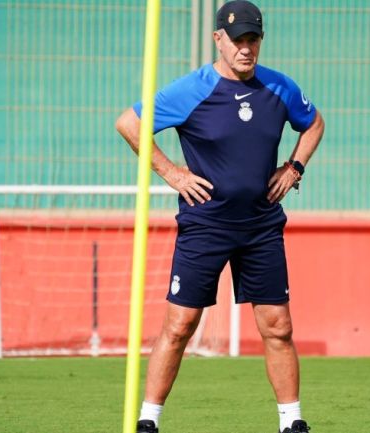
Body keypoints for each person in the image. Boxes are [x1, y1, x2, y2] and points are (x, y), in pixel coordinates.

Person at [115, 1, 324, 432]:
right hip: (205, 225)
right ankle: (148, 421)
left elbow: (314, 122)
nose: (246, 49)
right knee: (180, 324)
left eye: (253, 40)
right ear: (218, 40)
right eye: (237, 40)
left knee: (277, 326)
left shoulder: (279, 88)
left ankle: (292, 423)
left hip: (261, 225)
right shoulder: (191, 90)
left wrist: (294, 167)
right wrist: (171, 172)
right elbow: (130, 124)